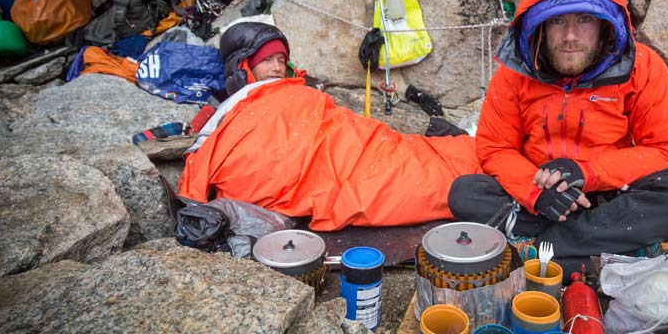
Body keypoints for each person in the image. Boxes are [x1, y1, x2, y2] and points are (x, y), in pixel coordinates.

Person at [448, 0, 668, 272]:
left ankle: (548, 248)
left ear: (606, 25)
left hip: (610, 197)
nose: (570, 36)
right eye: (557, 20)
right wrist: (536, 193)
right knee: (464, 193)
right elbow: (495, 147)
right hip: (540, 199)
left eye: (585, 19)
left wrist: (586, 172)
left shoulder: (642, 67)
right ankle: (593, 249)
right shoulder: (515, 73)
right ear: (540, 27)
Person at [178, 22, 481, 231]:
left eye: (281, 60)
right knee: (417, 180)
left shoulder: (294, 91)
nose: (276, 68)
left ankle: (474, 157)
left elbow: (342, 132)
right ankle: (474, 166)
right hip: (317, 169)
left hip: (356, 148)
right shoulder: (235, 109)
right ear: (243, 67)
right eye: (266, 60)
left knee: (412, 156)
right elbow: (205, 159)